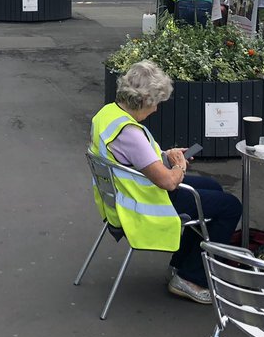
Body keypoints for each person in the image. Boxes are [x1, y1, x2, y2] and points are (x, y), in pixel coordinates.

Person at [89, 61, 241, 304]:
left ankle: (182, 264)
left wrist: (165, 156)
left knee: (212, 188)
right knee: (231, 206)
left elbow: (131, 159)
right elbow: (168, 182)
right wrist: (179, 166)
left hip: (123, 195)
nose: (157, 109)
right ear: (144, 100)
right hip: (143, 203)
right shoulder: (131, 134)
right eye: (156, 103)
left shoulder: (108, 114)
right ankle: (191, 279)